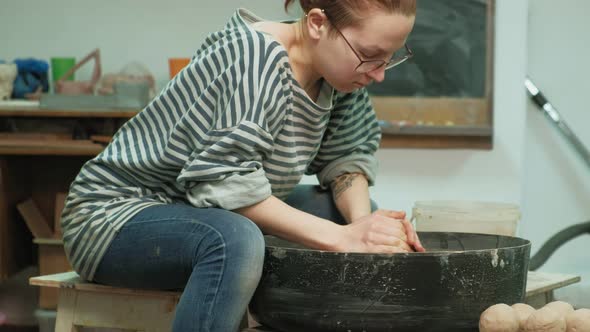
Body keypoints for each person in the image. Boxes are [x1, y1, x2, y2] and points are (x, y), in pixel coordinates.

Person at [60, 0, 423, 331]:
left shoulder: (340, 73)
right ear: (316, 23)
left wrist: (360, 227)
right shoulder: (254, 56)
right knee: (235, 240)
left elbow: (346, 159)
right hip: (114, 218)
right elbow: (223, 182)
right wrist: (341, 239)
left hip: (206, 212)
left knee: (348, 215)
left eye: (389, 58)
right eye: (370, 56)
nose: (379, 75)